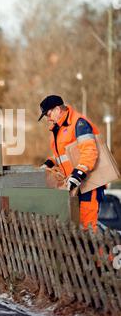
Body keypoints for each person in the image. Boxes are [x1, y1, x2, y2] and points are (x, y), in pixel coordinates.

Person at [38, 94, 105, 231]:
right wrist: (50, 163)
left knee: (87, 230)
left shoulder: (79, 123)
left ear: (57, 109)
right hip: (75, 184)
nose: (48, 118)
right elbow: (63, 156)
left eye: (48, 114)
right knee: (77, 230)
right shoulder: (59, 129)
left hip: (89, 184)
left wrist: (78, 173)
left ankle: (102, 253)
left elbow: (89, 152)